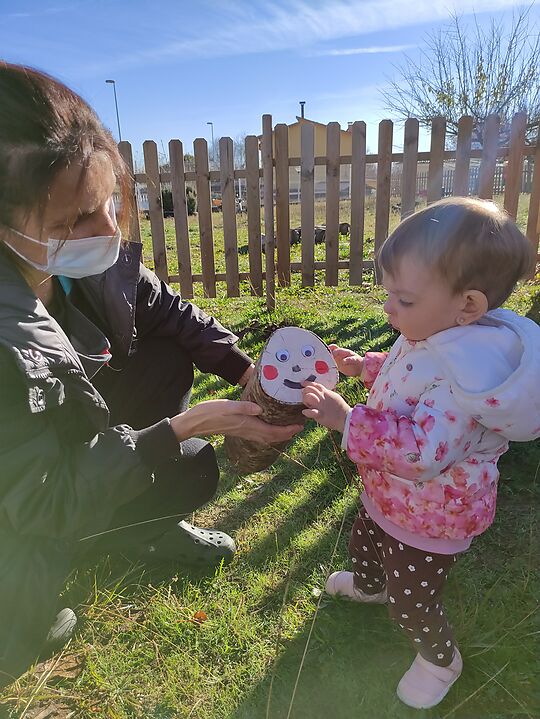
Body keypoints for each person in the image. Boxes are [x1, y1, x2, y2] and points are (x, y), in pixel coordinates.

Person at [0, 62, 302, 687]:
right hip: (26, 501)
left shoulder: (88, 266)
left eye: (108, 203)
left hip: (65, 443)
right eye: (69, 222)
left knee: (172, 383)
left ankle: (134, 527)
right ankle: (89, 546)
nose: (107, 230)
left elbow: (173, 313)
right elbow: (43, 500)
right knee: (26, 626)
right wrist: (182, 426)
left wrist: (249, 374)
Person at [301, 197, 540, 710]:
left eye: (403, 300)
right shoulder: (437, 333)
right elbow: (407, 371)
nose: (389, 308)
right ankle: (369, 584)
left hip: (430, 515)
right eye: (389, 294)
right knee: (366, 542)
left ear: (469, 306)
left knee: (414, 600)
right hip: (389, 495)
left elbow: (422, 453)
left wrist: (348, 420)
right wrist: (365, 366)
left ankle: (438, 659)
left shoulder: (466, 378)